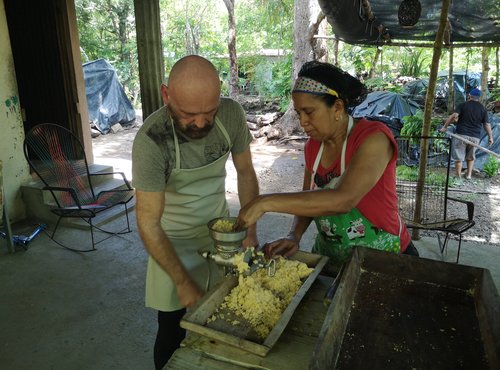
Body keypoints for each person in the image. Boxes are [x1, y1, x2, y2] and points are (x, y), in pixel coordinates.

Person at [132, 55, 259, 369]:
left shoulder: (231, 115)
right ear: (166, 95)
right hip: (170, 241)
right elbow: (148, 221)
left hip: (220, 233)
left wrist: (249, 230)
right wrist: (182, 281)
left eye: (209, 112)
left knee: (227, 317)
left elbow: (246, 172)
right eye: (188, 114)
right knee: (173, 327)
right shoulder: (152, 141)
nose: (201, 123)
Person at [234, 61, 416, 264]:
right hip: (332, 257)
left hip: (383, 257)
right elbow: (308, 199)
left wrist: (264, 202)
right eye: (298, 113)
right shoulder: (313, 147)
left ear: (337, 107)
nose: (302, 122)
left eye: (309, 112)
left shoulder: (374, 138)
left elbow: (344, 199)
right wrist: (294, 235)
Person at [440, 88, 494, 179]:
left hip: (461, 135)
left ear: (469, 96)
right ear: (479, 98)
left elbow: (454, 116)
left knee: (458, 157)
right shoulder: (483, 109)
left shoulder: (463, 105)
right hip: (475, 137)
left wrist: (444, 127)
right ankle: (468, 175)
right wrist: (490, 137)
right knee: (471, 157)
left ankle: (458, 176)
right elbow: (487, 124)